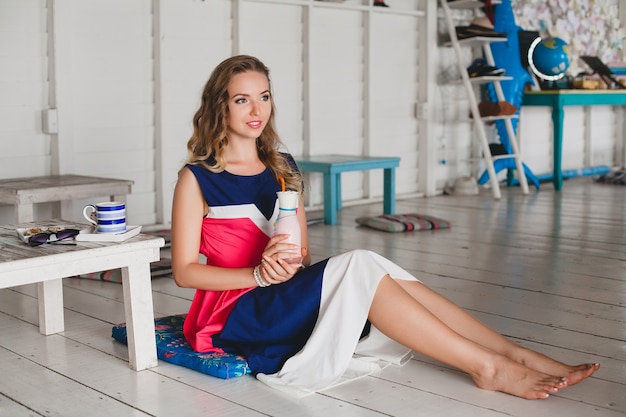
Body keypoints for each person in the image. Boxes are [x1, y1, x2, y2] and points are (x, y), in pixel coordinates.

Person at [171, 54, 599, 399]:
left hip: (282, 295)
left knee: (373, 265)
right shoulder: (197, 178)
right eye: (241, 99)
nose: (256, 109)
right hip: (234, 315)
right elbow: (185, 271)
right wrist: (258, 273)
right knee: (360, 263)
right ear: (219, 105)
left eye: (263, 96)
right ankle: (489, 367)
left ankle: (512, 352)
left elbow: (299, 251)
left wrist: (285, 263)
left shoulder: (283, 168)